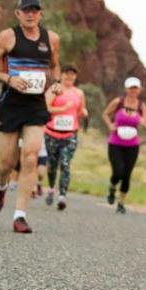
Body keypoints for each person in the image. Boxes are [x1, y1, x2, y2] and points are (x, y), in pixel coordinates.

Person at [0, 0, 60, 234]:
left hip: (36, 104)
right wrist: (8, 79)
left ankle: (20, 216)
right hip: (11, 104)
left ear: (40, 14)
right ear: (17, 13)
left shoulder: (52, 39)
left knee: (30, 156)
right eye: (26, 10)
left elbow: (55, 65)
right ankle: (1, 186)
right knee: (6, 162)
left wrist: (55, 82)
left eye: (35, 10)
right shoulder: (8, 36)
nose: (30, 14)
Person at [43, 66, 88, 210]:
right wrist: (62, 109)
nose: (69, 78)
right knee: (52, 165)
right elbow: (46, 107)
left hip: (70, 134)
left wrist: (84, 113)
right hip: (52, 133)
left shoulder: (79, 93)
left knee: (65, 163)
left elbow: (80, 111)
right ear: (61, 75)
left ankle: (62, 196)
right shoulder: (54, 89)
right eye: (67, 75)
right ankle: (51, 188)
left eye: (72, 76)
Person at [102, 77, 146, 214]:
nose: (133, 90)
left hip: (132, 145)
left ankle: (121, 203)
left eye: (135, 88)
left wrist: (142, 121)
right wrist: (110, 125)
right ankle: (112, 187)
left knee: (127, 174)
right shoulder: (119, 102)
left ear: (139, 89)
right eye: (131, 88)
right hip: (115, 143)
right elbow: (105, 114)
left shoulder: (141, 106)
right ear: (126, 89)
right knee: (118, 171)